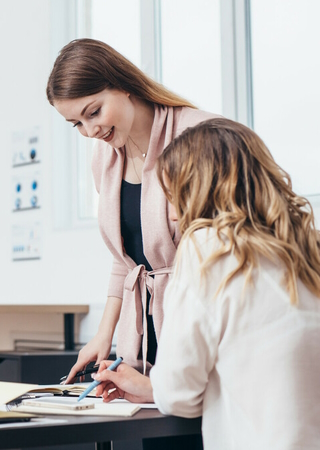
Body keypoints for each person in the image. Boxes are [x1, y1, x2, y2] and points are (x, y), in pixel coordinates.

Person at [93, 119, 320, 449]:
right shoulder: (307, 244)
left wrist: (155, 386)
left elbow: (178, 395)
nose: (172, 216)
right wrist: (151, 386)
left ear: (197, 190)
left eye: (172, 196)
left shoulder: (206, 246)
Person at [46, 38, 221, 382]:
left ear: (123, 85)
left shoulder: (200, 136)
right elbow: (126, 258)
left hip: (202, 322)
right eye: (76, 124)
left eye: (93, 112)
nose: (90, 131)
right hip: (147, 331)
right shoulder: (105, 157)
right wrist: (103, 334)